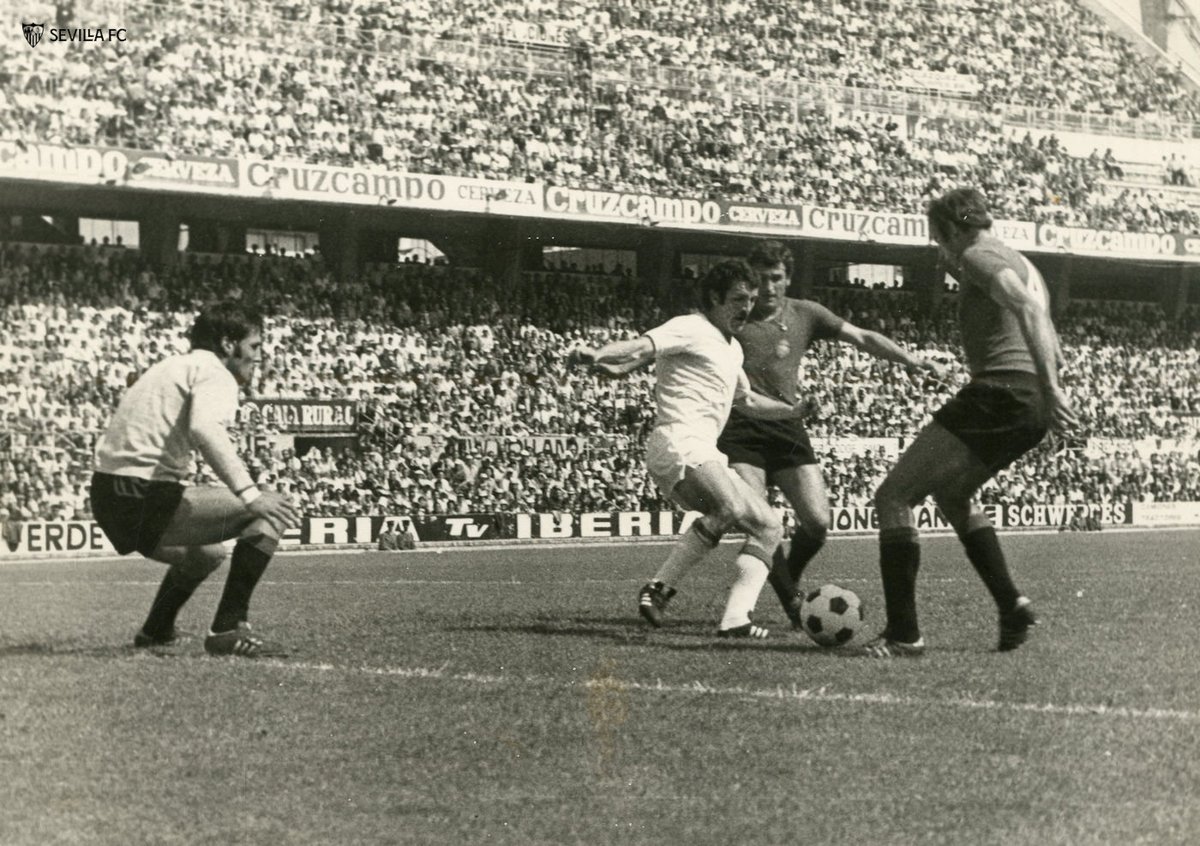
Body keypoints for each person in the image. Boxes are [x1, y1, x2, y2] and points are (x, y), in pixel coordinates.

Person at [867, 188, 1076, 657]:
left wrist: (1050, 387)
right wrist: (1050, 389)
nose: (941, 253)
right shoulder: (1022, 260)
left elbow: (1023, 308)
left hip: (1000, 391)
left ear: (954, 229)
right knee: (952, 494)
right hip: (1027, 401)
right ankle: (1011, 604)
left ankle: (904, 633)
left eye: (939, 240)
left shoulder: (978, 256)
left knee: (893, 496)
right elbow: (1045, 328)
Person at [568, 259, 813, 638]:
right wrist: (599, 354)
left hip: (705, 451)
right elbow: (643, 344)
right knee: (728, 507)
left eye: (750, 299)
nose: (746, 307)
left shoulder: (732, 350)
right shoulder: (691, 326)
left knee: (769, 526)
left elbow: (746, 402)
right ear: (714, 298)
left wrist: (792, 409)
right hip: (678, 441)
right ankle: (659, 588)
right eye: (737, 299)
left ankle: (736, 620)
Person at [718, 240, 944, 627]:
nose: (768, 287)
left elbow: (862, 337)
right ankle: (791, 600)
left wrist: (909, 358)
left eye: (776, 278)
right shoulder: (732, 318)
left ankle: (788, 575)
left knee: (818, 523)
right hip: (740, 429)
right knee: (761, 521)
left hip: (788, 428)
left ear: (788, 279)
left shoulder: (806, 313)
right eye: (760, 279)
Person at [90, 302, 300, 657]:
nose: (258, 357)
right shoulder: (214, 370)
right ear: (227, 343)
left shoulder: (172, 365)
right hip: (143, 493)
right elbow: (204, 428)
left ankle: (156, 630)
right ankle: (228, 628)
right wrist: (250, 494)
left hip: (110, 496)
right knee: (269, 511)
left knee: (206, 553)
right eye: (254, 346)